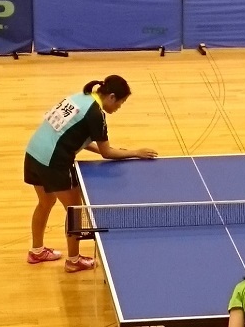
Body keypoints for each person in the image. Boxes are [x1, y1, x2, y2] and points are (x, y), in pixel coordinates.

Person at [24, 74, 158, 273]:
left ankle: (36, 251)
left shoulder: (81, 97)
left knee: (45, 202)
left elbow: (74, 135)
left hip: (34, 153)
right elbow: (106, 152)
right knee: (75, 212)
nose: (119, 107)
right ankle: (73, 261)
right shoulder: (96, 113)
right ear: (111, 97)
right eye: (120, 103)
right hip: (54, 162)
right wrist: (135, 152)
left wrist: (118, 151)